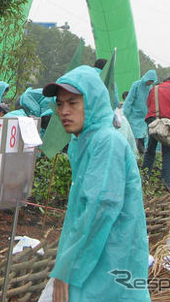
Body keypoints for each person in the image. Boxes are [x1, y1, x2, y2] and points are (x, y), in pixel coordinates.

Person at [42, 66, 149, 302]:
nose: (64, 111)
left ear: (92, 102)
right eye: (60, 104)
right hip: (96, 259)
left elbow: (99, 209)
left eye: (73, 103)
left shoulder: (106, 143)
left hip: (106, 260)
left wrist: (67, 269)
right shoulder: (84, 142)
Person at [122, 70, 157, 155]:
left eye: (152, 81)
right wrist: (125, 114)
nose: (150, 83)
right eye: (150, 81)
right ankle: (133, 153)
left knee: (143, 135)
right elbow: (129, 100)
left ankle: (140, 153)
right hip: (134, 115)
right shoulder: (136, 85)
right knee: (134, 135)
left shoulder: (150, 88)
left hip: (145, 116)